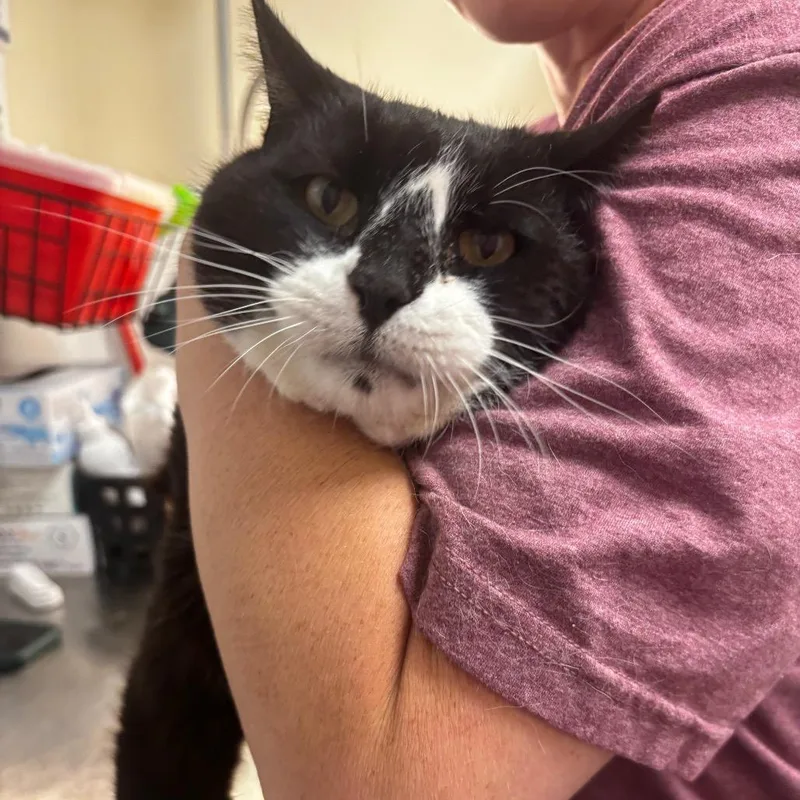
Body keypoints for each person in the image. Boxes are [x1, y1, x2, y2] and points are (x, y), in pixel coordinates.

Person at [175, 0, 800, 797]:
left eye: (483, 245)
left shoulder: (768, 104)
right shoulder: (547, 154)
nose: (386, 289)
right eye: (330, 203)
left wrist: (212, 277)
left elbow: (381, 781)